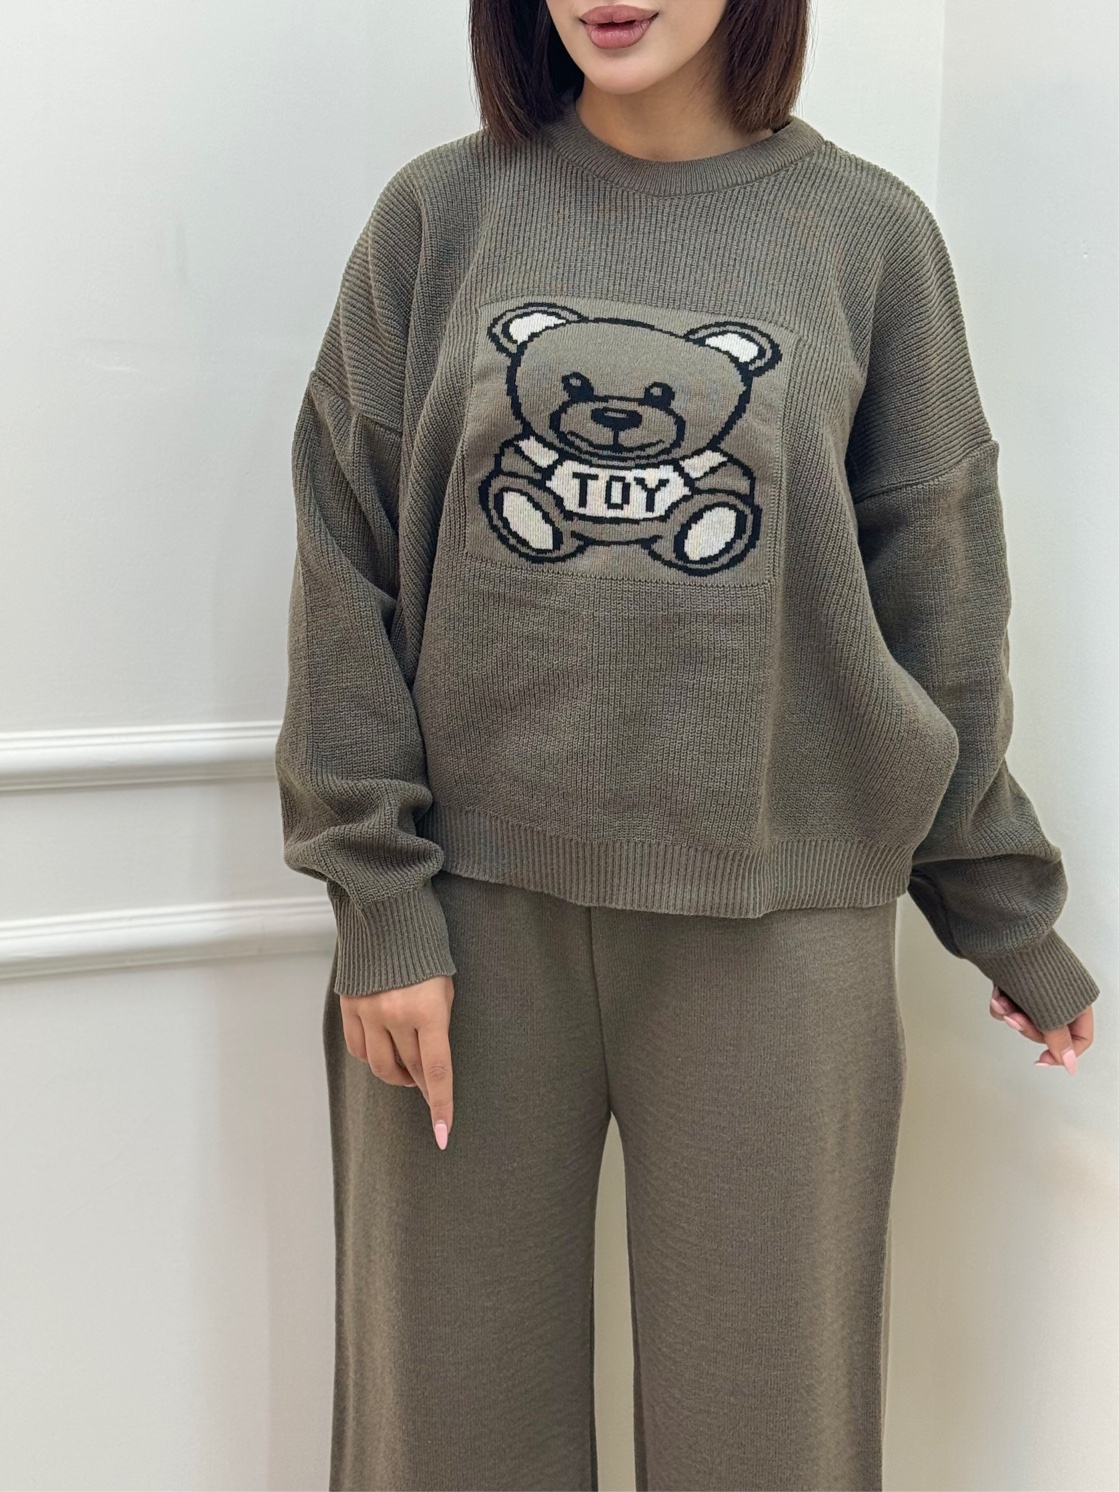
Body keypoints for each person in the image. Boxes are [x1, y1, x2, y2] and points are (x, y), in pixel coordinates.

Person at [274, 2, 1102, 1487]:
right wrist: (380, 902)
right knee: (444, 1428)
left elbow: (939, 595)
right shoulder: (439, 217)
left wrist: (1002, 912)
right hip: (468, 924)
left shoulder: (868, 237)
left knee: (770, 1433)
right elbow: (347, 560)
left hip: (779, 926)